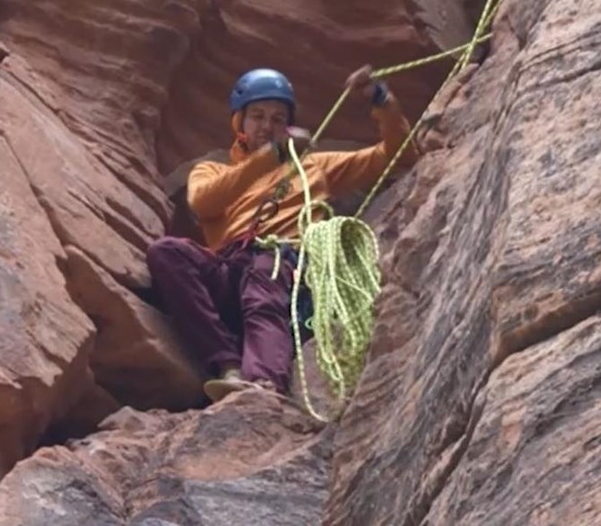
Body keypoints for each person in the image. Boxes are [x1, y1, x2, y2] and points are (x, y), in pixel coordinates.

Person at [147, 65, 417, 402]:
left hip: (282, 262)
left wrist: (382, 100)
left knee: (265, 271)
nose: (267, 126)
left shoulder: (313, 167)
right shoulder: (214, 171)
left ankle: (264, 382)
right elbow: (203, 203)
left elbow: (397, 154)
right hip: (228, 268)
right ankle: (228, 366)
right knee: (167, 253)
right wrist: (270, 158)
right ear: (239, 122)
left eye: (277, 119)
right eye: (257, 116)